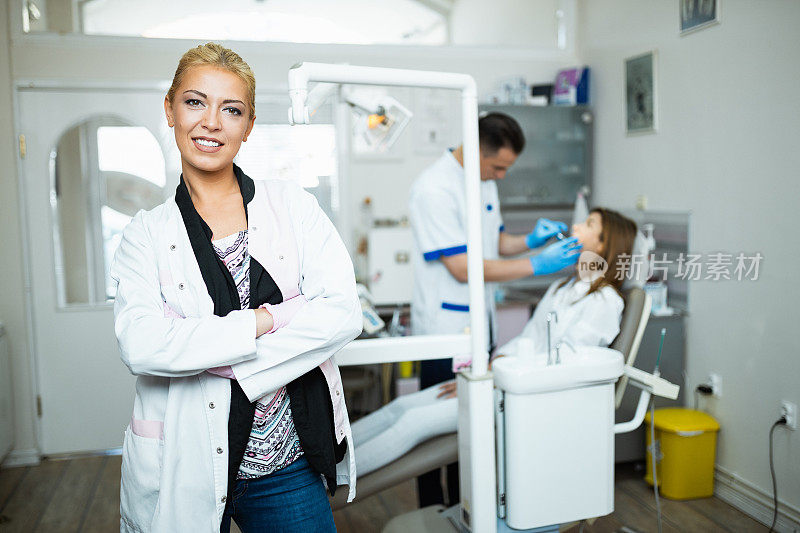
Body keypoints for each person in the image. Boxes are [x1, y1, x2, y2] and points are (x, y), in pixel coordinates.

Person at [111, 43, 362, 533]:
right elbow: (140, 345)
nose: (211, 122)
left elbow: (342, 313)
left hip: (286, 466)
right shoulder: (145, 234)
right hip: (184, 461)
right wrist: (268, 319)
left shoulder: (293, 206)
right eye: (194, 102)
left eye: (231, 110)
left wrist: (216, 355)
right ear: (170, 109)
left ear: (248, 127)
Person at [352, 208, 636, 481]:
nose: (575, 227)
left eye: (587, 224)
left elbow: (567, 367)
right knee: (402, 405)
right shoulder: (561, 289)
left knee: (413, 422)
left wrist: (492, 380)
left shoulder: (605, 302)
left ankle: (335, 479)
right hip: (503, 380)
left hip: (526, 393)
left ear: (603, 245)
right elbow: (528, 340)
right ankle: (325, 457)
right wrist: (488, 370)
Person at [407, 112, 581, 506]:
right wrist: (539, 265)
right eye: (499, 167)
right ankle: (435, 513)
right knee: (437, 430)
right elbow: (462, 267)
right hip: (445, 330)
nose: (502, 176)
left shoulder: (482, 180)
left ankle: (467, 511)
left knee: (471, 429)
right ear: (476, 150)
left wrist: (532, 241)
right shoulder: (434, 189)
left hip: (479, 324)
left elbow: (497, 242)